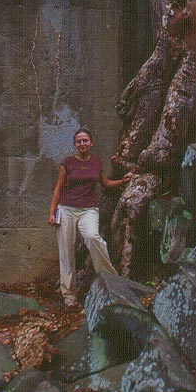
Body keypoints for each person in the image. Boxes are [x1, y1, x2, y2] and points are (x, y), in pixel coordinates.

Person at [48, 128, 132, 307]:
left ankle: (111, 280)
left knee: (93, 237)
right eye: (78, 141)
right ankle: (69, 294)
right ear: (75, 145)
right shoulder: (67, 162)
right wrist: (51, 212)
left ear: (91, 143)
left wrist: (122, 181)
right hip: (66, 209)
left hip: (88, 210)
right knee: (66, 251)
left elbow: (106, 183)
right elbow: (58, 189)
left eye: (85, 140)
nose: (82, 144)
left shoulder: (96, 162)